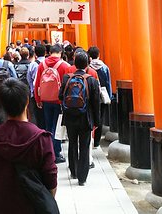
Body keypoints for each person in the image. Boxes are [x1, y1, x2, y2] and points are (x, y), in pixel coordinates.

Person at [0, 78, 58, 214]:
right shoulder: (41, 139)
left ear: (3, 104)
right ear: (27, 101)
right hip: (31, 206)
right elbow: (51, 178)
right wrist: (46, 203)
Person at [58, 50, 101, 185]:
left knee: (72, 143)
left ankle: (74, 171)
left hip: (70, 117)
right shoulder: (91, 80)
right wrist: (97, 121)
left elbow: (60, 96)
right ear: (87, 64)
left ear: (75, 63)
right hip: (85, 118)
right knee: (84, 145)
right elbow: (96, 103)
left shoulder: (67, 78)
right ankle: (82, 177)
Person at [34, 43, 73, 163]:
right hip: (59, 101)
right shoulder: (65, 66)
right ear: (61, 53)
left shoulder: (42, 64)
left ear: (50, 52)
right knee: (58, 127)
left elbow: (37, 84)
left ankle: (47, 151)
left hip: (46, 100)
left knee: (48, 125)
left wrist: (38, 99)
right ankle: (56, 153)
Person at [88, 46, 112, 148]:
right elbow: (108, 83)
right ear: (99, 55)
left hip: (90, 96)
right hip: (102, 95)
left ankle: (90, 138)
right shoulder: (105, 67)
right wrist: (109, 96)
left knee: (90, 116)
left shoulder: (88, 67)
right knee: (100, 118)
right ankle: (97, 142)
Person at [27, 43, 46, 128]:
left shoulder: (33, 64)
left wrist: (32, 91)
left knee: (36, 115)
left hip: (35, 93)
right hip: (47, 93)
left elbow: (29, 79)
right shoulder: (48, 63)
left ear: (35, 53)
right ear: (45, 52)